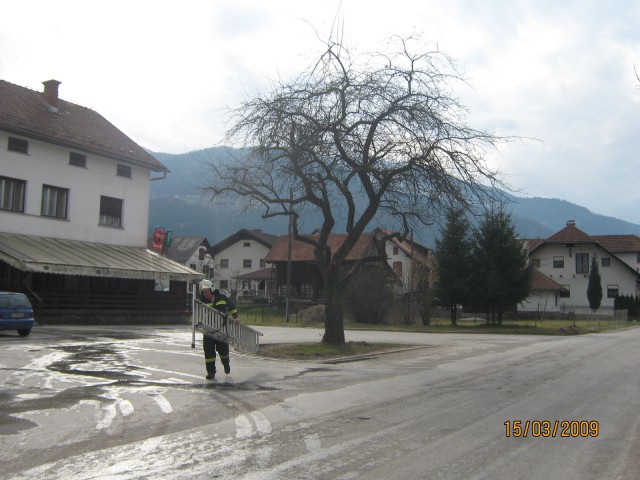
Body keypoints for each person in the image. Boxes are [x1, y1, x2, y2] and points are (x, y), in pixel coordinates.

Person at [198, 279, 241, 380]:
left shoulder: (221, 298)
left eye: (206, 291)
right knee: (208, 352)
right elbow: (197, 311)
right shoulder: (201, 301)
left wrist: (236, 317)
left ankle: (226, 364)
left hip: (221, 329)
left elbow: (232, 307)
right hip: (208, 331)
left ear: (211, 289)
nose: (205, 294)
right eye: (203, 292)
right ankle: (211, 372)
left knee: (223, 351)